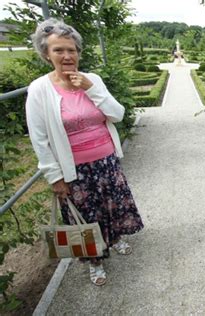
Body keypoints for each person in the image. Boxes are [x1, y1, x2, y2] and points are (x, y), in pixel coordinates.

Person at [26, 19, 144, 286]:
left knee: (112, 207)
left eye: (72, 49)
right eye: (59, 50)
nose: (67, 56)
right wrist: (54, 176)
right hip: (75, 170)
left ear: (78, 52)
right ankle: (95, 262)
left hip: (107, 162)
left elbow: (117, 114)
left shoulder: (93, 81)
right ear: (46, 54)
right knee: (85, 217)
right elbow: (39, 138)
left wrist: (91, 88)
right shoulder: (40, 89)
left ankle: (114, 240)